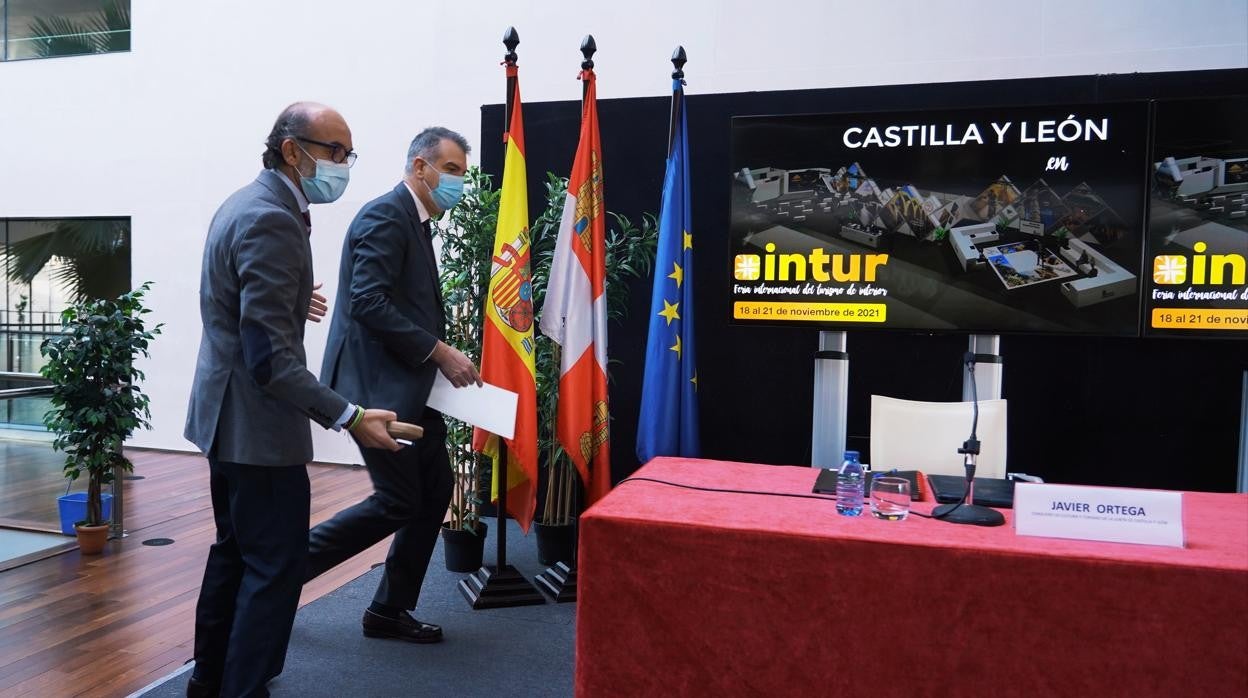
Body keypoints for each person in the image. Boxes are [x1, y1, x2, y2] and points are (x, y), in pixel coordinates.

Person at [184, 102, 401, 698]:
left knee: (236, 553)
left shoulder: (245, 203)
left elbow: (235, 305)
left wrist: (286, 300)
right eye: (335, 152)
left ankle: (210, 679)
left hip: (224, 419)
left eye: (347, 154)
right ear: (291, 149)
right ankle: (242, 687)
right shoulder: (273, 219)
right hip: (257, 429)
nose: (343, 165)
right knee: (273, 568)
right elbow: (270, 360)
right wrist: (350, 416)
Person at [305, 127, 481, 644]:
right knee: (400, 500)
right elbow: (368, 302)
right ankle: (277, 572)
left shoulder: (417, 221)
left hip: (411, 389)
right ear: (419, 167)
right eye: (450, 171)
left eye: (463, 175)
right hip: (378, 392)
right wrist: (441, 352)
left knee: (434, 495)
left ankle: (388, 610)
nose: (458, 184)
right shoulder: (386, 215)